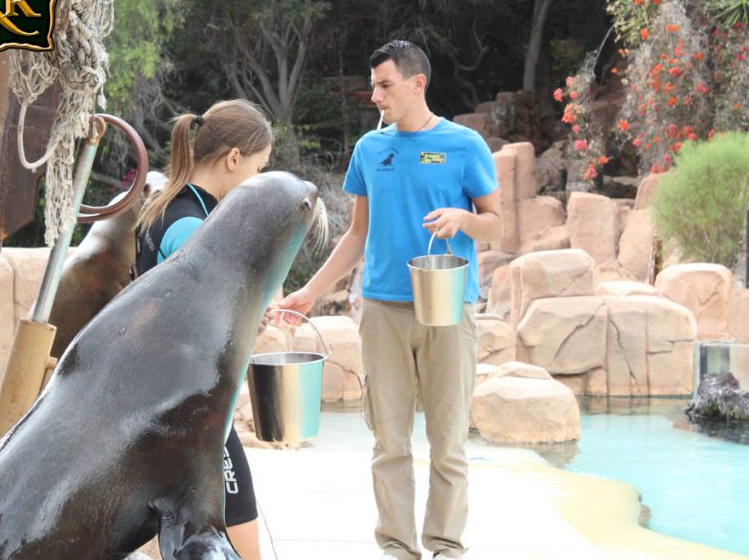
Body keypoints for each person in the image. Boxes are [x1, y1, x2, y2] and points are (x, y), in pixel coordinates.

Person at [278, 40, 502, 560]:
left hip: (449, 309)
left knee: (448, 443)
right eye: (374, 85)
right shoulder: (369, 151)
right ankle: (399, 549)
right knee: (389, 443)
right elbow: (357, 234)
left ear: (417, 83)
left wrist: (462, 220)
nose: (376, 95)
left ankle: (446, 547)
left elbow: (496, 224)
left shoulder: (465, 145)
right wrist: (312, 292)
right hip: (382, 311)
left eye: (385, 85)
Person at [134, 98, 273, 560]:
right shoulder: (192, 226)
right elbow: (208, 321)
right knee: (241, 532)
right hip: (193, 414)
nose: (254, 181)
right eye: (257, 169)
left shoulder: (164, 207)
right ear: (234, 159)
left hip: (161, 401)